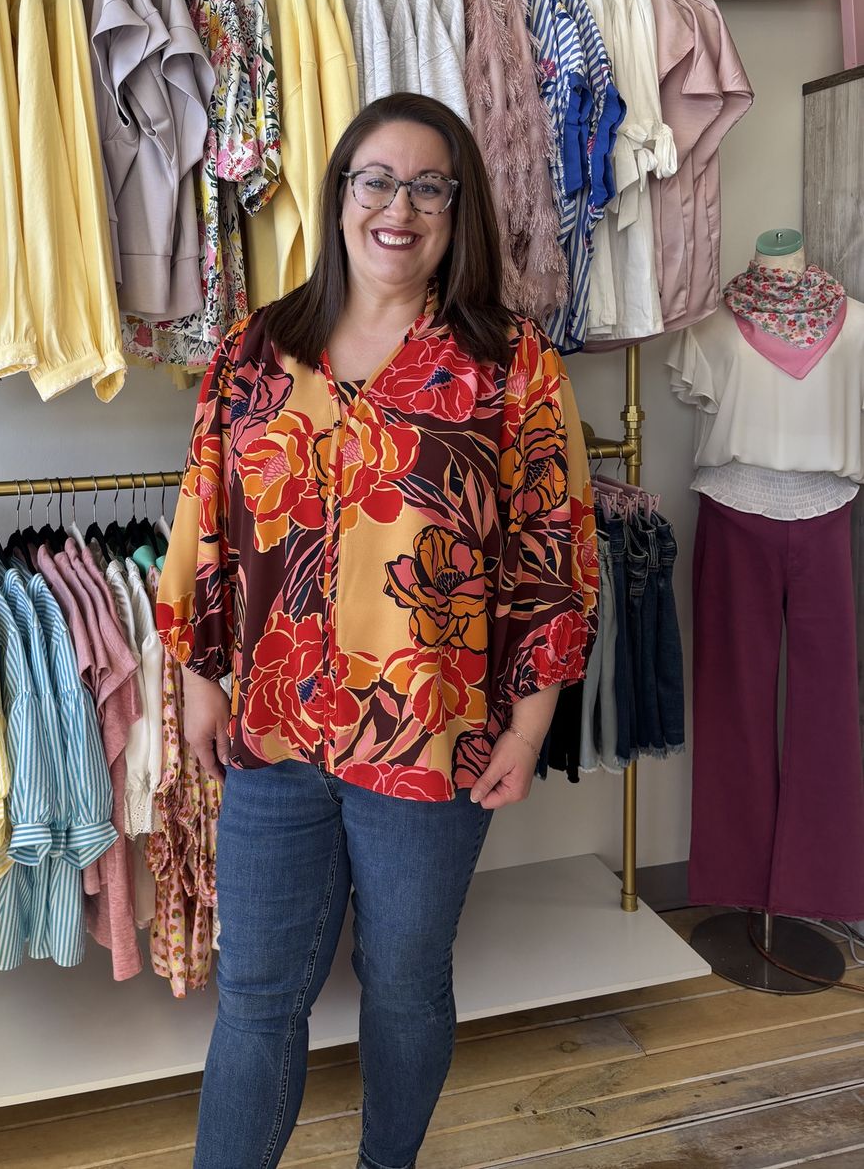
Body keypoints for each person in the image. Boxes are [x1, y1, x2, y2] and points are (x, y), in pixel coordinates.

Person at [157, 93, 598, 1169]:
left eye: (428, 186)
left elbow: (555, 549)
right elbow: (205, 516)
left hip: (431, 740)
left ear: (458, 210)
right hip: (271, 730)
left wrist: (531, 728)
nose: (399, 207)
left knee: (406, 979)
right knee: (257, 992)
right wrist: (200, 675)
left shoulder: (509, 365)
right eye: (377, 180)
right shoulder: (261, 349)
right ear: (343, 193)